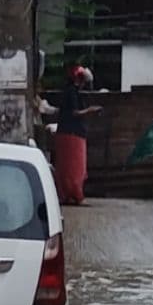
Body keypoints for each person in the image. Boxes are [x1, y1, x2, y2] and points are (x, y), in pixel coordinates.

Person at [54, 66, 102, 205]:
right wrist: (90, 110)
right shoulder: (72, 93)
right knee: (74, 165)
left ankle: (67, 194)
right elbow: (75, 112)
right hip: (72, 133)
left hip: (67, 132)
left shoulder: (69, 92)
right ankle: (75, 193)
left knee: (66, 165)